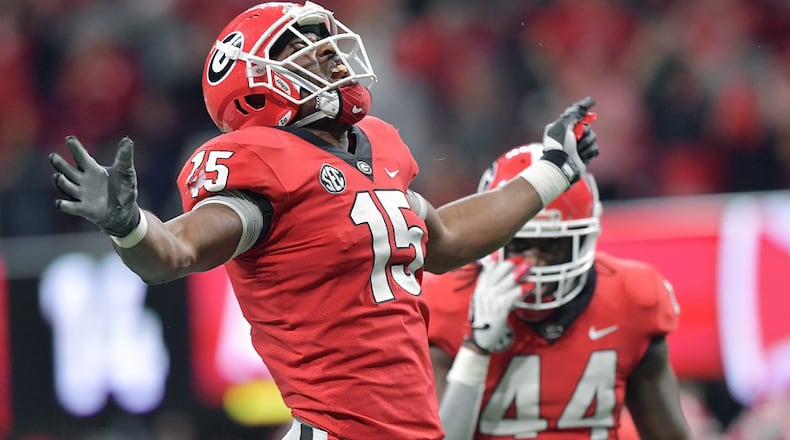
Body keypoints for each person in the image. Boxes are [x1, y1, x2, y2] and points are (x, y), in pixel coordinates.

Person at [47, 2, 600, 439]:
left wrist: (554, 171)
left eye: (324, 41)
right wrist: (130, 225)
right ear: (256, 85)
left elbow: (447, 239)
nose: (329, 55)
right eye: (303, 49)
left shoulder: (378, 145)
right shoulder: (259, 160)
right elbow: (176, 251)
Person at [425, 143, 691, 440]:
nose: (535, 263)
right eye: (520, 244)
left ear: (585, 238)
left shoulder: (632, 298)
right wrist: (476, 349)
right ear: (493, 239)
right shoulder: (446, 305)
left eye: (552, 246)